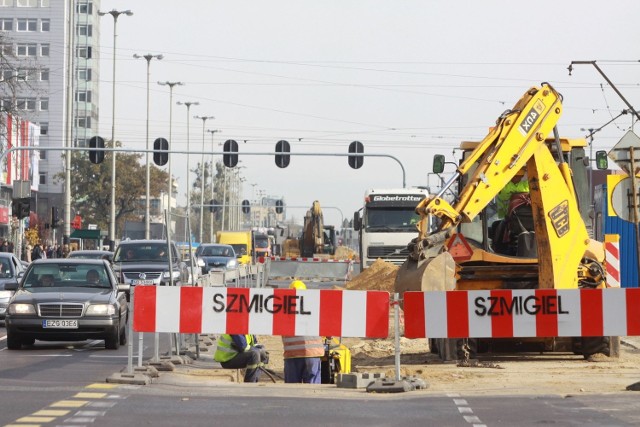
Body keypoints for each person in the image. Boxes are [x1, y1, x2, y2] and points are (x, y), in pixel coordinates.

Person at [282, 280, 324, 384]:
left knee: (292, 390)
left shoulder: (284, 310)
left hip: (292, 355)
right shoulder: (315, 308)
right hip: (312, 355)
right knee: (312, 390)